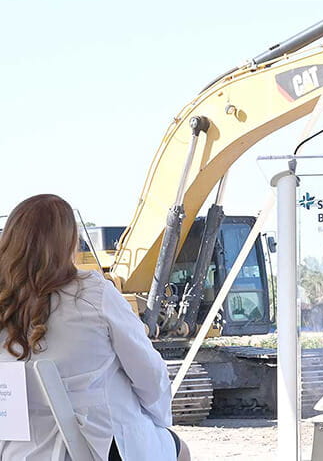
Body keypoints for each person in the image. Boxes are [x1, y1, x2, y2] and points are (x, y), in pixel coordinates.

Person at [0, 194, 191, 461]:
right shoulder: (92, 292)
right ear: (67, 243)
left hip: (18, 450)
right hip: (97, 446)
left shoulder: (4, 304)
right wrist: (158, 417)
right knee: (179, 449)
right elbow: (147, 371)